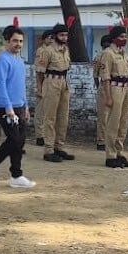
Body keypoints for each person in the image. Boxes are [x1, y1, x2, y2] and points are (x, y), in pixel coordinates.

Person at [0, 25, 36, 188]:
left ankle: (16, 175)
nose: (18, 44)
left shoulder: (19, 60)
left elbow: (21, 85)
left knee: (20, 140)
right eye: (15, 41)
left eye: (21, 41)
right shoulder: (2, 60)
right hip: (6, 107)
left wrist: (25, 106)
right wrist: (8, 108)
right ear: (7, 41)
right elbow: (1, 86)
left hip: (19, 106)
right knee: (14, 139)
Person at [35, 23, 74, 163]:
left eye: (66, 35)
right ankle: (49, 149)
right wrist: (40, 88)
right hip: (51, 82)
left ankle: (59, 147)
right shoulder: (47, 51)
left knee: (63, 116)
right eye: (61, 35)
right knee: (50, 117)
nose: (64, 37)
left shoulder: (66, 50)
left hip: (63, 81)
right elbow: (40, 72)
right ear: (55, 36)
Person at [100, 25, 128, 168]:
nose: (124, 39)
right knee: (113, 123)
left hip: (126, 88)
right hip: (114, 88)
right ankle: (111, 155)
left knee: (123, 123)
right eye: (121, 37)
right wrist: (108, 96)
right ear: (114, 38)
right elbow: (105, 77)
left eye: (125, 37)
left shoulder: (124, 54)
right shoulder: (108, 53)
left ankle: (119, 152)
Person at [33, 30, 53, 146]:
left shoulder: (54, 51)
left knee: (49, 112)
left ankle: (47, 135)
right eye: (49, 38)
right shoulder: (41, 51)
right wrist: (39, 88)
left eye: (52, 38)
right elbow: (39, 72)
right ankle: (39, 135)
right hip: (44, 82)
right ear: (44, 39)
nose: (51, 40)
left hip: (52, 84)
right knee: (40, 111)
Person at [93, 34, 113, 150]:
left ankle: (108, 140)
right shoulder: (99, 57)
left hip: (114, 87)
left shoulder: (114, 56)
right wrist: (99, 88)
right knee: (103, 116)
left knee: (111, 116)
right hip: (104, 86)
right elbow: (96, 75)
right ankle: (101, 141)